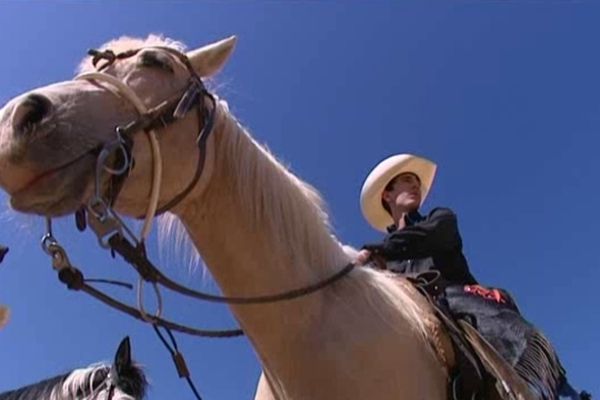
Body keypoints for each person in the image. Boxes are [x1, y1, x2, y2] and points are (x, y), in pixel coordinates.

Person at [357, 154, 587, 400]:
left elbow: (429, 236)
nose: (415, 185)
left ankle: (533, 390)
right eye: (406, 180)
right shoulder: (381, 258)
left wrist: (374, 252)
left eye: (416, 181)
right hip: (407, 310)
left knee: (507, 336)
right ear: (387, 195)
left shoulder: (440, 219)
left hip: (455, 301)